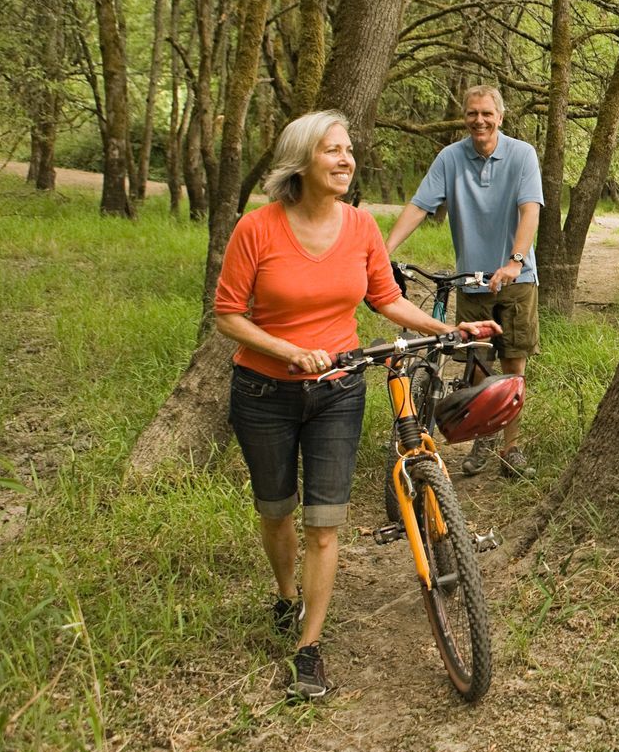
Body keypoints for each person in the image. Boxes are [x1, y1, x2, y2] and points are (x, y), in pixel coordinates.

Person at [214, 110, 497, 702]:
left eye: (348, 151)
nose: (346, 160)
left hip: (338, 389)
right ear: (301, 161)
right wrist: (288, 349)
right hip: (264, 393)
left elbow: (386, 300)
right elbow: (228, 314)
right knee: (276, 511)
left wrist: (453, 328)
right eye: (331, 151)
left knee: (324, 524)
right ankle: (286, 596)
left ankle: (308, 649)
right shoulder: (257, 230)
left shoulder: (362, 226)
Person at [385, 84, 543, 478]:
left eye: (486, 113)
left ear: (500, 117)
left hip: (516, 279)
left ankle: (512, 447)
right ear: (465, 118)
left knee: (513, 366)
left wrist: (514, 260)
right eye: (472, 113)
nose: (479, 120)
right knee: (476, 365)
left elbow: (530, 211)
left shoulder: (522, 155)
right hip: (472, 282)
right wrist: (381, 250)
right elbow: (420, 206)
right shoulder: (450, 158)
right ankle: (482, 440)